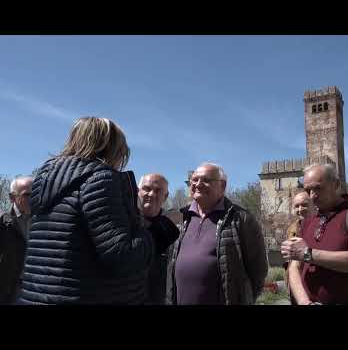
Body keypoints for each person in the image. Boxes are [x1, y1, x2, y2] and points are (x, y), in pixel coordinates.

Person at [17, 117, 154, 304]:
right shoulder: (100, 180)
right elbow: (122, 255)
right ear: (111, 148)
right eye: (122, 151)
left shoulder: (46, 181)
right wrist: (145, 231)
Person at [165, 162, 268, 305]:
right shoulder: (182, 217)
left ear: (223, 186)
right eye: (194, 180)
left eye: (206, 180)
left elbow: (258, 272)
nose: (198, 184)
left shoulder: (241, 219)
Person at [281, 164, 348, 305]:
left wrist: (308, 254)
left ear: (336, 184)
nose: (312, 195)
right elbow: (294, 267)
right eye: (308, 190)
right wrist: (304, 301)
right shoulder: (308, 222)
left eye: (318, 188)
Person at [138, 173, 179, 304]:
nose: (151, 194)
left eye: (158, 190)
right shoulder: (122, 223)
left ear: (166, 196)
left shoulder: (175, 230)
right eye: (147, 188)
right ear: (138, 191)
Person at [0, 176, 33, 304]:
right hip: (10, 289)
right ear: (12, 197)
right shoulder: (3, 223)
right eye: (27, 195)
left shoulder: (44, 219)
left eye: (36, 192)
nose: (33, 198)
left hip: (38, 287)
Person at [283, 191, 313, 304]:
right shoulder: (292, 228)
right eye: (296, 206)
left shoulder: (321, 226)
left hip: (312, 285)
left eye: (304, 205)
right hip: (294, 286)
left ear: (313, 204)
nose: (300, 209)